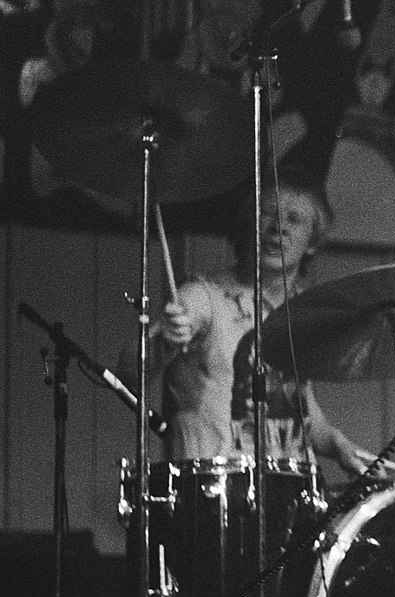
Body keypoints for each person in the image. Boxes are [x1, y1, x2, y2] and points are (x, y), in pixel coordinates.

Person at [116, 164, 376, 478]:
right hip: (217, 490)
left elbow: (303, 412)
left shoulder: (304, 309)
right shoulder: (203, 297)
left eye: (293, 219)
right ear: (247, 224)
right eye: (267, 214)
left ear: (313, 241)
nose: (277, 228)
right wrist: (165, 342)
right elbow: (128, 373)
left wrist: (335, 442)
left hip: (291, 489)